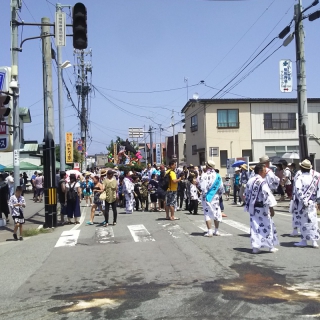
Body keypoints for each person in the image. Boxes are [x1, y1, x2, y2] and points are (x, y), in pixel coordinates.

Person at [244, 164, 278, 254]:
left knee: (255, 227)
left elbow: (246, 194)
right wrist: (271, 208)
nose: (265, 173)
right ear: (260, 171)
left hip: (252, 207)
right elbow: (267, 195)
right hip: (262, 208)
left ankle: (255, 247)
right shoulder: (262, 182)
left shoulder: (250, 181)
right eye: (264, 171)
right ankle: (270, 246)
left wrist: (248, 205)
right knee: (267, 225)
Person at [292, 160, 320, 248]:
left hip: (302, 204)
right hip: (312, 202)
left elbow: (298, 190)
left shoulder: (300, 177)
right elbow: (318, 190)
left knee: (303, 222)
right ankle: (314, 241)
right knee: (313, 221)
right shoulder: (314, 177)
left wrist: (304, 200)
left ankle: (304, 241)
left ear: (301, 168)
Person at [200, 160, 224, 236]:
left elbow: (203, 188)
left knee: (207, 213)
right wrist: (218, 196)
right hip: (215, 196)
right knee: (216, 212)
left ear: (207, 166)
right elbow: (221, 188)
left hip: (207, 197)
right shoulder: (218, 176)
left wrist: (204, 196)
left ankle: (209, 231)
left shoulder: (204, 175)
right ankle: (216, 231)